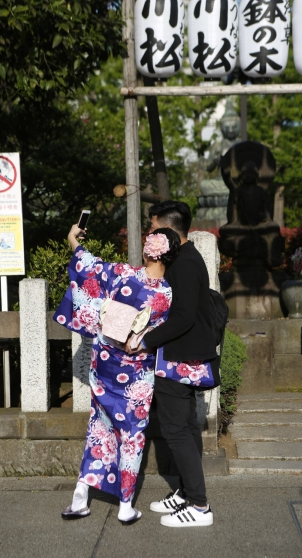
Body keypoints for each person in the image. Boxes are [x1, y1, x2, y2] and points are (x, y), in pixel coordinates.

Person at [54, 223, 180, 524]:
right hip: (137, 373)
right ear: (169, 257)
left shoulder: (122, 273)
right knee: (133, 435)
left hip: (106, 364)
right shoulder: (167, 295)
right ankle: (125, 505)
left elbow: (88, 265)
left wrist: (74, 238)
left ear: (149, 251)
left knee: (99, 427)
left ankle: (80, 497)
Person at [127, 200, 220, 528]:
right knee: (186, 426)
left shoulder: (183, 263)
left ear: (167, 227)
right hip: (183, 355)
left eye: (152, 227)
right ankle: (185, 492)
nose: (150, 233)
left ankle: (199, 506)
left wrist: (145, 341)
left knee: (176, 429)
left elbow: (181, 317)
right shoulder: (186, 257)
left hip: (179, 356)